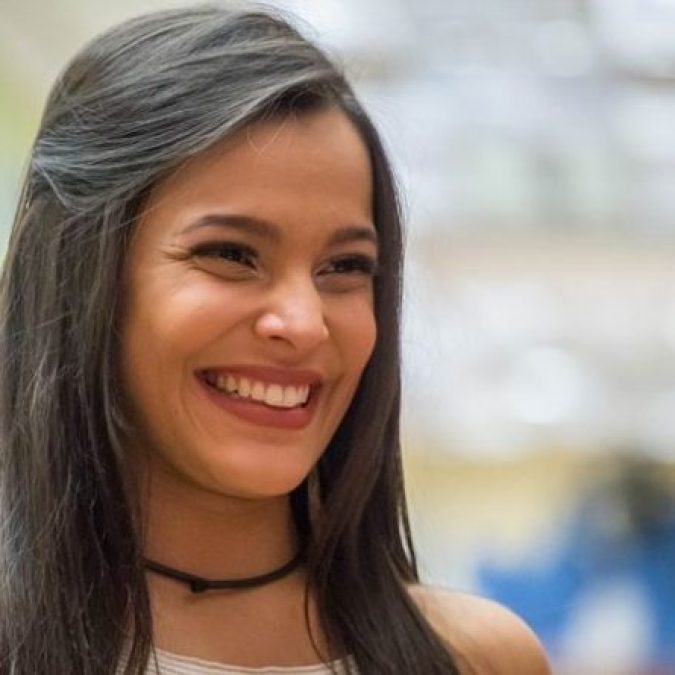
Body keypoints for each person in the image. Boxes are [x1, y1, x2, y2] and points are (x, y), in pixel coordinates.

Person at [0, 4, 550, 674]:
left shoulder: (473, 658)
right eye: (230, 254)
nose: (304, 322)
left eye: (344, 266)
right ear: (80, 272)